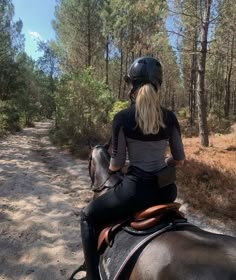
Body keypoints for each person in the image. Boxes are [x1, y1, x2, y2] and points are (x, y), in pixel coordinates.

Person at [80, 56, 185, 280]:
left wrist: (121, 164)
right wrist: (163, 162)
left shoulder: (123, 118)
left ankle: (91, 277)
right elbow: (179, 159)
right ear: (158, 84)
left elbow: (116, 165)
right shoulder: (170, 117)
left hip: (136, 192)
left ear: (133, 86)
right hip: (167, 191)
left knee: (87, 216)